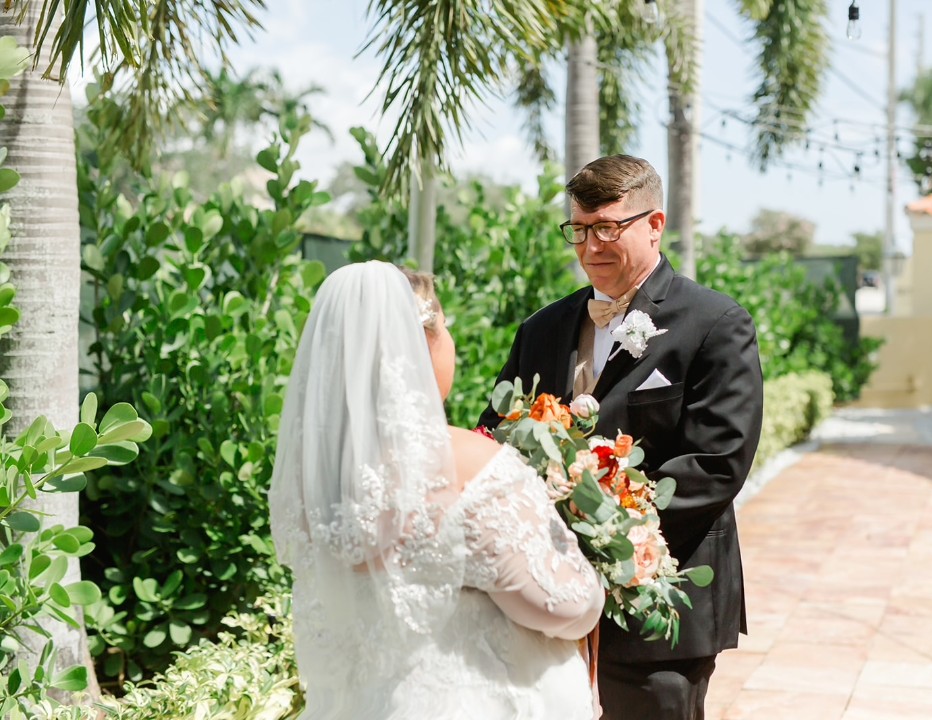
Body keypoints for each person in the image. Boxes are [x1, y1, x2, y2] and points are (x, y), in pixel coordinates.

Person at [478, 155, 764, 720]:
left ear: (654, 224)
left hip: (660, 603)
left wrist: (596, 529)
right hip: (547, 599)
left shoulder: (714, 324)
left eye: (608, 228)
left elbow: (716, 462)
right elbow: (497, 436)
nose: (591, 246)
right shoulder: (541, 330)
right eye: (579, 230)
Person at [270, 261, 605, 719]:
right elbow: (557, 604)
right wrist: (594, 579)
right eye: (444, 330)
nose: (451, 345)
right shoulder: (465, 461)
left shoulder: (317, 479)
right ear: (417, 346)